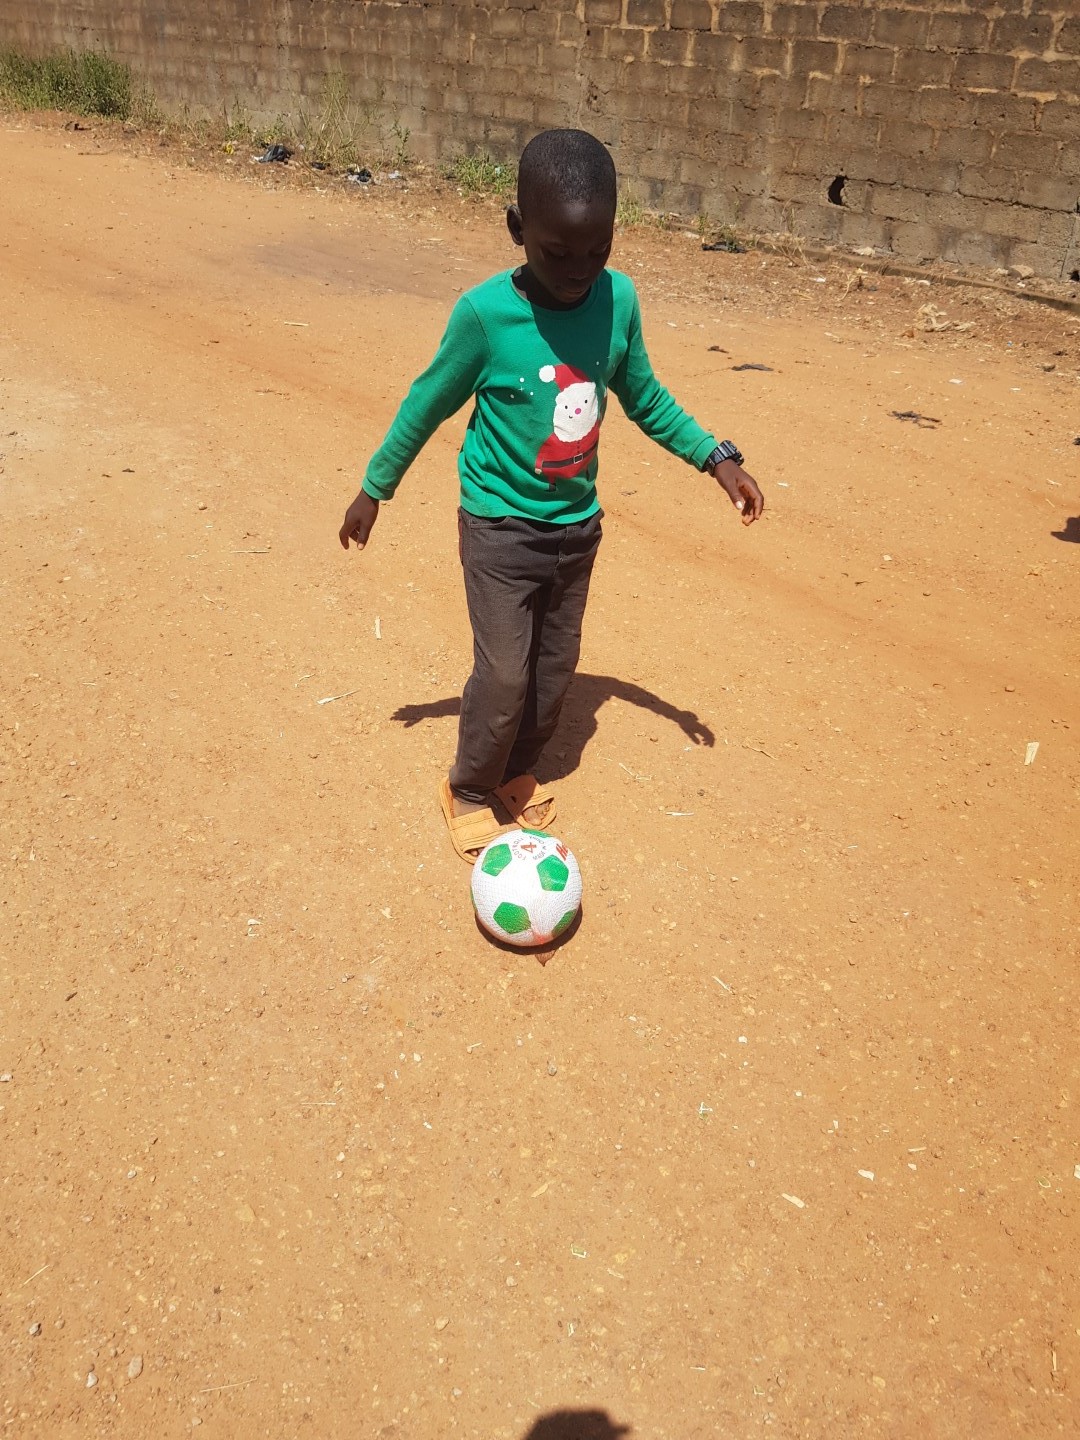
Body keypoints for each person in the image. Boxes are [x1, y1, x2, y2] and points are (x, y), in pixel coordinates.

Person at [339, 128, 764, 861]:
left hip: (576, 529)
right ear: (517, 229)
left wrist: (713, 456)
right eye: (556, 253)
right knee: (504, 671)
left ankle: (512, 773)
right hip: (499, 527)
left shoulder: (617, 301)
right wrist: (374, 489)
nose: (577, 272)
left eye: (597, 251)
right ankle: (470, 787)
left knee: (553, 671)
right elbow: (425, 404)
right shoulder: (484, 317)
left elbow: (645, 396)